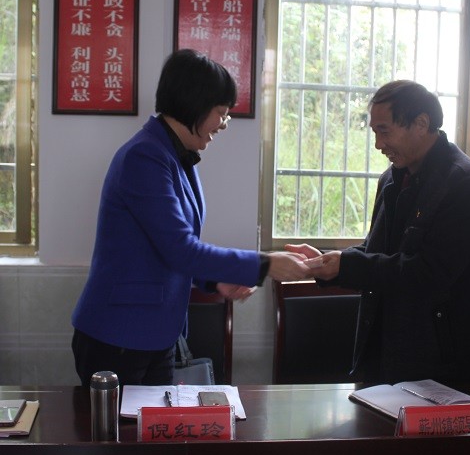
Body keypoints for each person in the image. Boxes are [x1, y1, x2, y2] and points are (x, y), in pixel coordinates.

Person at [71, 49, 310, 387]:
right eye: (221, 113)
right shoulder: (144, 157)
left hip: (157, 334)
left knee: (157, 422)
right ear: (195, 103)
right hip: (120, 334)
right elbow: (180, 248)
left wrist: (214, 281)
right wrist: (265, 264)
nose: (224, 124)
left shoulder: (174, 155)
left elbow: (168, 250)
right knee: (119, 424)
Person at [287, 80, 470, 385]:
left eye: (384, 131)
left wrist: (346, 266)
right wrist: (327, 262)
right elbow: (378, 252)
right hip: (383, 351)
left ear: (421, 124)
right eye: (375, 133)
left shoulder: (465, 184)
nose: (378, 144)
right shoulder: (393, 178)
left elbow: (427, 273)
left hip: (441, 365)